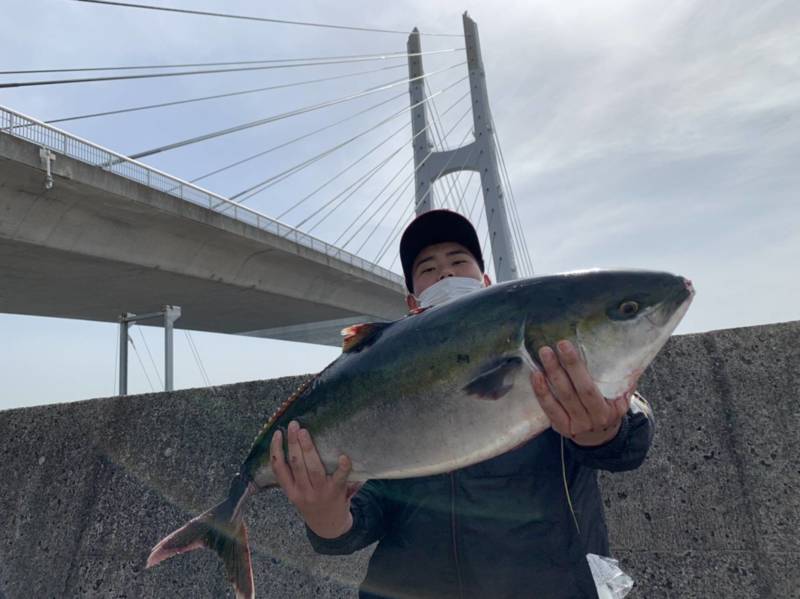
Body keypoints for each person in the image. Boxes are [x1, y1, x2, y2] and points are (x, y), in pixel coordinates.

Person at [270, 210, 654, 598]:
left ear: (486, 282)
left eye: (458, 261)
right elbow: (368, 513)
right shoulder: (391, 383)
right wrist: (326, 521)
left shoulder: (545, 356)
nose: (445, 276)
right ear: (412, 300)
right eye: (428, 269)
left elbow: (628, 440)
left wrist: (606, 429)